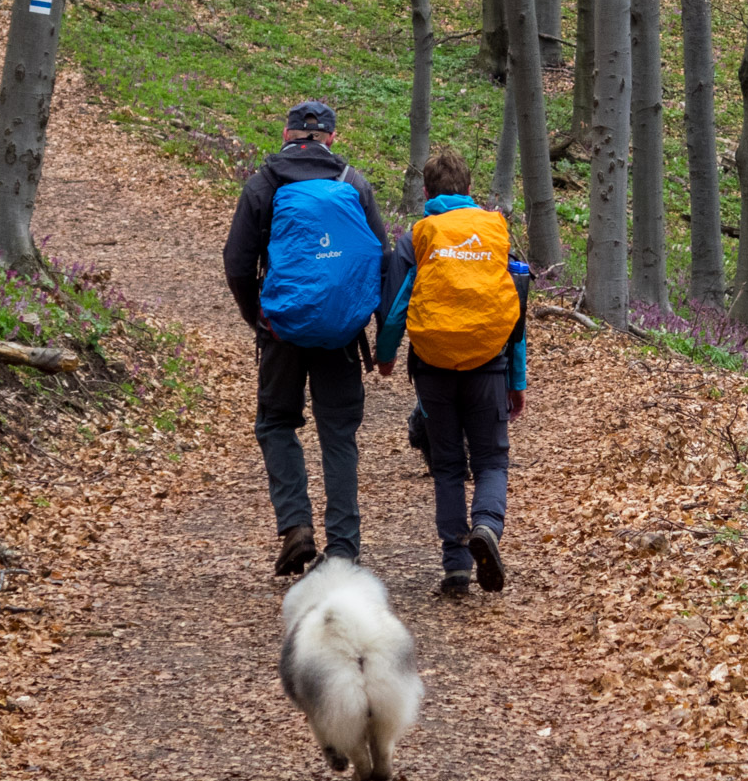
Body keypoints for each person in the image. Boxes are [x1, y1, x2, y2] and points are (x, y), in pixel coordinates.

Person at [223, 100, 390, 576]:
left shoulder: (263, 185)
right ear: (331, 138)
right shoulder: (352, 184)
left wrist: (257, 313)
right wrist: (376, 330)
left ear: (286, 133)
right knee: (338, 434)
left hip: (282, 330)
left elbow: (236, 261)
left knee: (276, 422)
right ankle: (343, 548)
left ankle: (296, 525)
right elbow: (378, 258)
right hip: (341, 332)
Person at [376, 148, 527, 596]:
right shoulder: (493, 232)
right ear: (468, 190)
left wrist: (385, 355)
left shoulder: (420, 235)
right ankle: (486, 527)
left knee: (446, 466)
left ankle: (456, 567)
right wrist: (516, 382)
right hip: (489, 366)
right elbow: (514, 315)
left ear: (426, 193)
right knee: (491, 461)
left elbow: (398, 307)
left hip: (433, 368)